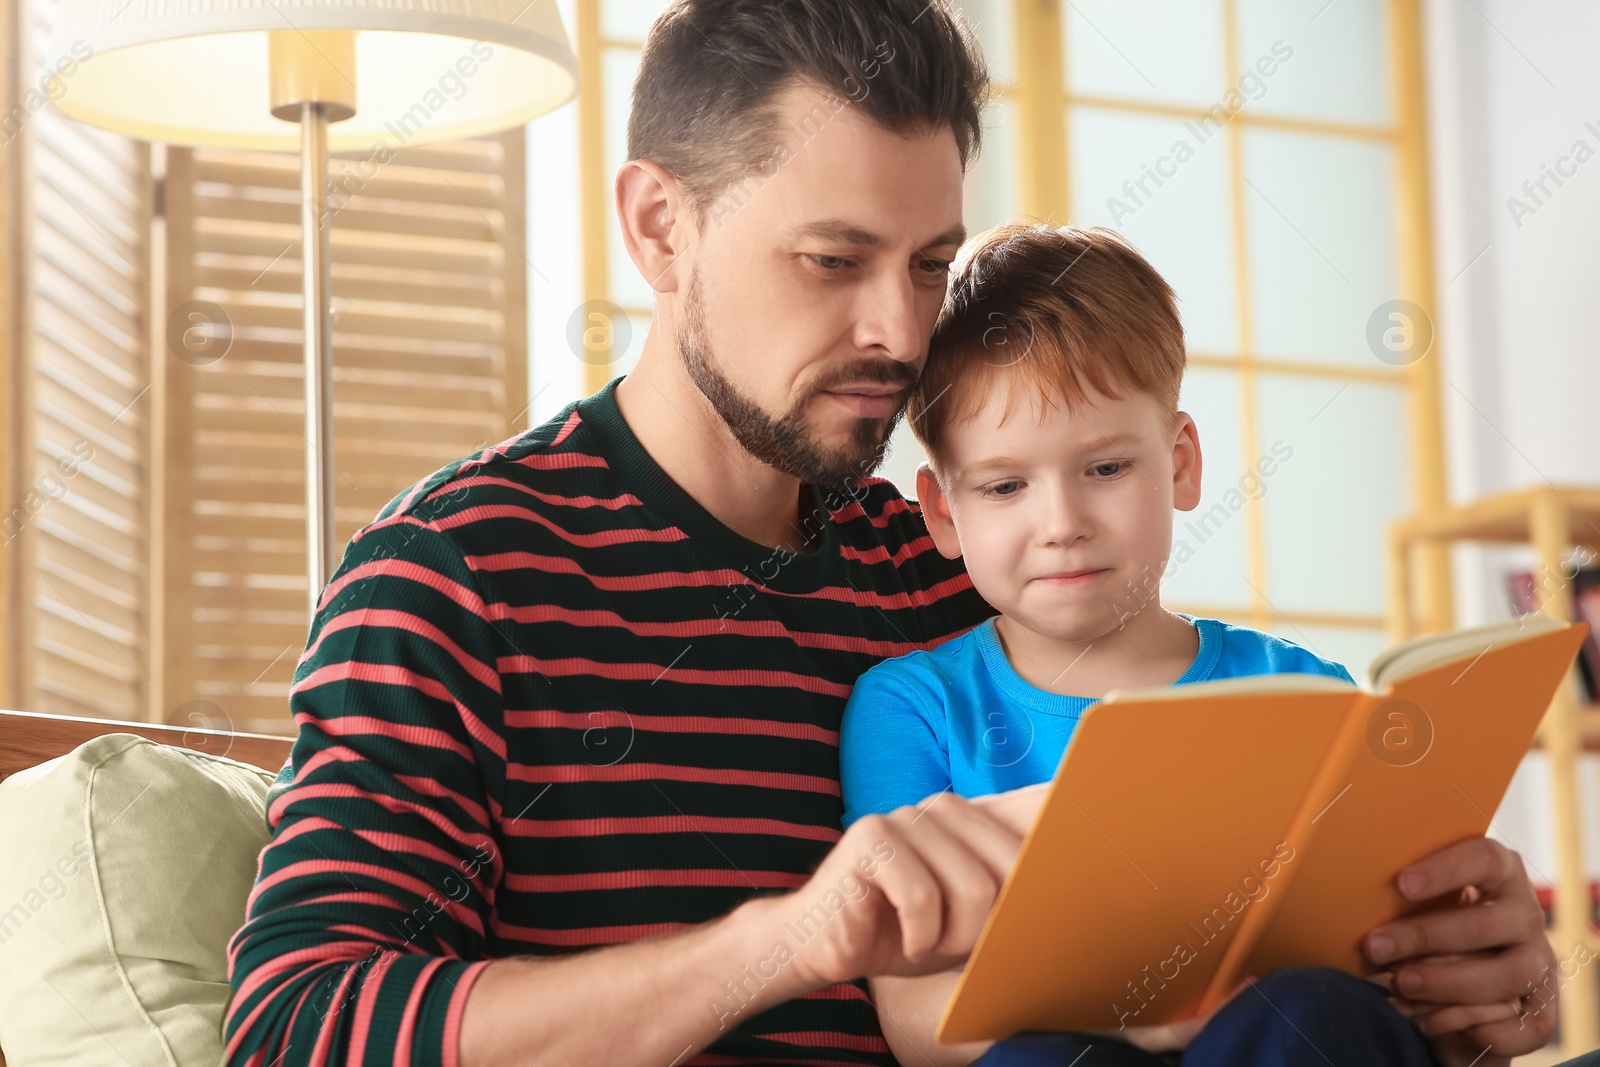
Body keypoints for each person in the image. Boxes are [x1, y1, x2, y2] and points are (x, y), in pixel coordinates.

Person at [221, 3, 1565, 1066]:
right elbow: (300, 1026)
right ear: (658, 224)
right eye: (833, 260)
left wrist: (1457, 962)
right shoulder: (456, 571)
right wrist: (784, 942)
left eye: (930, 263)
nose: (903, 333)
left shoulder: (956, 562)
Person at [838, 221, 1462, 1065]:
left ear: (1179, 464)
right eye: (1006, 484)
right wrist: (1135, 1009)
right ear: (944, 511)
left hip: (1279, 1040)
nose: (1061, 525)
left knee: (1310, 1007)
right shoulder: (914, 708)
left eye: (1105, 469)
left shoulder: (1299, 688)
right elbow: (916, 1021)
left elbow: (1383, 953)